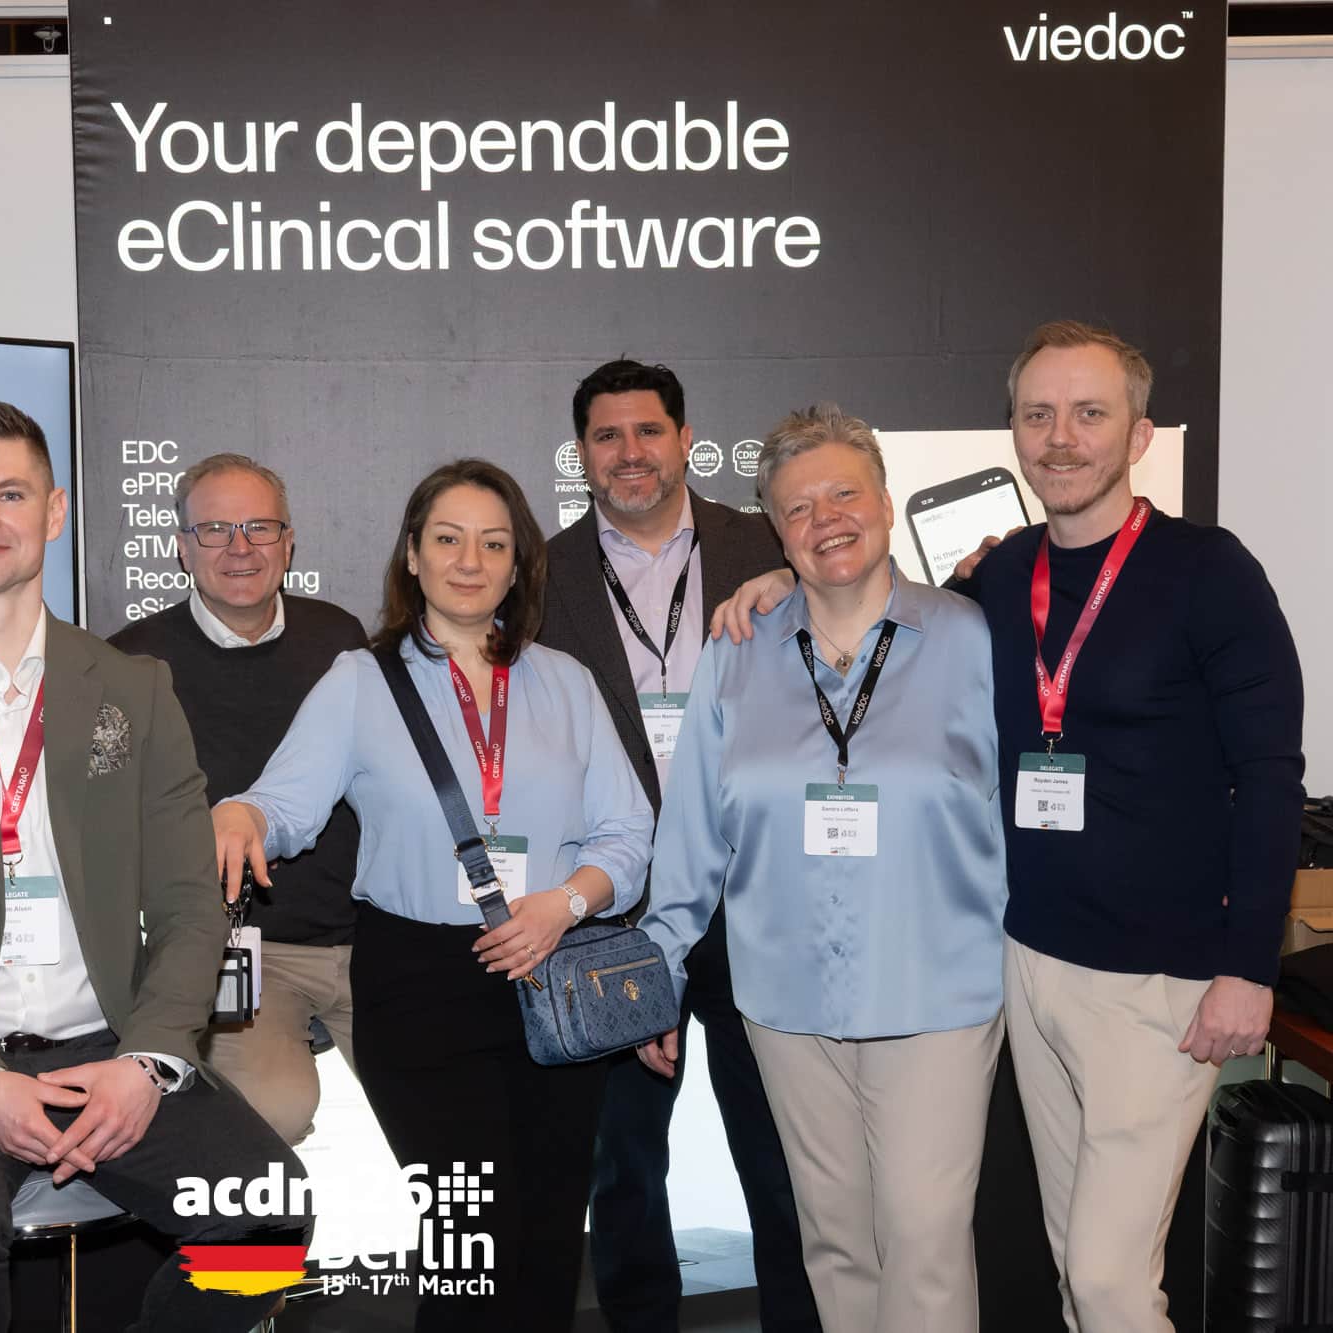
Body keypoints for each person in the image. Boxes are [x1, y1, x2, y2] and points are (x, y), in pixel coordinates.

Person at [712, 324, 1307, 1333]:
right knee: (1074, 1265)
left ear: (1138, 435)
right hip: (1025, 963)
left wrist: (1248, 965)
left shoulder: (1209, 571)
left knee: (1111, 1280)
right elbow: (872, 611)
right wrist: (785, 585)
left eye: (1089, 414)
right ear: (1016, 434)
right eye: (1038, 415)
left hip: (1158, 980)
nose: (1060, 437)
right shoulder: (998, 579)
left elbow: (1270, 773)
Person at [0, 398, 308, 1332]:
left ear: (55, 510)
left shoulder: (133, 687)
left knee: (269, 1222)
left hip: (110, 1047)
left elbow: (191, 905)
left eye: (9, 493)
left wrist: (148, 1060)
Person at [214, 458, 653, 1331]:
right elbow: (285, 804)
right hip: (417, 985)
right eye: (448, 539)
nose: (469, 560)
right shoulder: (360, 680)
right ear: (412, 555)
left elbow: (629, 834)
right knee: (471, 1239)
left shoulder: (565, 681)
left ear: (519, 564)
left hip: (553, 975)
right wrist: (242, 813)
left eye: (494, 543)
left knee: (549, 1235)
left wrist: (565, 902)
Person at [636, 405, 1008, 1333]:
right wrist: (658, 968)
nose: (826, 519)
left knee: (924, 1237)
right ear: (775, 529)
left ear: (884, 501)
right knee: (834, 1242)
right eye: (798, 507)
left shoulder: (971, 639)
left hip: (936, 992)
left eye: (845, 493)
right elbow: (692, 832)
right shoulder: (737, 652)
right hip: (786, 1000)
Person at [538, 359, 817, 1333]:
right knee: (622, 1167)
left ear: (686, 440)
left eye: (648, 430)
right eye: (607, 436)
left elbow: (868, 625)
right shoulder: (540, 575)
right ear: (581, 453)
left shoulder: (769, 546)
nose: (630, 453)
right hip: (610, 909)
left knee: (783, 1158)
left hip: (754, 895)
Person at [108, 452, 366, 1145]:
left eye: (259, 527)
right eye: (216, 529)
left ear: (289, 542)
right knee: (269, 1113)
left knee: (450, 1105)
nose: (240, 547)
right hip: (237, 949)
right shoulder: (129, 664)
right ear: (181, 548)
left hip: (368, 937)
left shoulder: (342, 640)